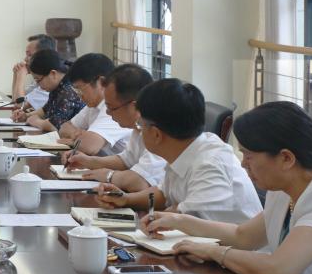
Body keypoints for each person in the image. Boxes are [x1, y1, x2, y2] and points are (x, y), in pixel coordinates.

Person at [142, 101, 312, 274]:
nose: (243, 164)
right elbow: (242, 236)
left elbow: (277, 269)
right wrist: (178, 221)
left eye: (249, 156)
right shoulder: (284, 188)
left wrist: (214, 252)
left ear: (286, 158)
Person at [96, 79, 262, 222]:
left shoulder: (209, 165)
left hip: (227, 248)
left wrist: (170, 212)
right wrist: (126, 199)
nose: (138, 130)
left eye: (140, 125)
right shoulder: (187, 150)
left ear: (156, 134)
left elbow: (185, 220)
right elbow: (164, 194)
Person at [63, 63, 166, 191]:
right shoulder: (138, 126)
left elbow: (140, 182)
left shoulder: (159, 131)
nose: (107, 112)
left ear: (134, 106)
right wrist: (88, 161)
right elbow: (126, 160)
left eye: (111, 108)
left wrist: (109, 175)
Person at [58, 53, 133, 156]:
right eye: (76, 90)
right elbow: (64, 128)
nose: (79, 95)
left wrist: (76, 138)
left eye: (80, 89)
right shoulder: (93, 105)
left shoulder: (116, 108)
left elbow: (89, 147)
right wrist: (78, 136)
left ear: (101, 82)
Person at [21, 49, 85, 132]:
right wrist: (26, 116)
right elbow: (46, 110)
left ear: (53, 74)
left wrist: (35, 121)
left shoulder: (68, 91)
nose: (38, 85)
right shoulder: (58, 86)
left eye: (38, 80)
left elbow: (55, 126)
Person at [11, 34, 57, 115]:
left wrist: (21, 75)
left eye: (30, 55)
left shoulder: (49, 80)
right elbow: (16, 101)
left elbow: (19, 105)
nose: (25, 59)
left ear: (43, 56)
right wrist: (16, 74)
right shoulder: (39, 78)